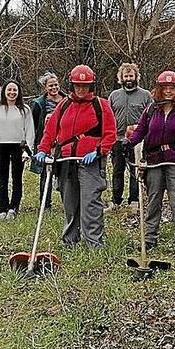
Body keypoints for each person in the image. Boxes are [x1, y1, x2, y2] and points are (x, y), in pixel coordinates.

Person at [33, 65, 117, 249]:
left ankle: (94, 242)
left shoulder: (101, 105)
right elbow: (50, 130)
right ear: (72, 85)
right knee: (70, 203)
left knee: (90, 203)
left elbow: (110, 133)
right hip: (65, 162)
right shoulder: (64, 105)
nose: (81, 89)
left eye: (85, 85)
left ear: (91, 85)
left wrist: (99, 151)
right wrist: (43, 149)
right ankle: (70, 240)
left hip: (90, 162)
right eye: (78, 85)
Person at [126, 71, 175, 254]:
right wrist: (128, 143)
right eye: (165, 88)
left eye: (172, 88)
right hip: (154, 161)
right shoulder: (151, 110)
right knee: (153, 202)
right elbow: (141, 130)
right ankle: (150, 239)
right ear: (159, 89)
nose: (168, 92)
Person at [0, 80, 35, 221]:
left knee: (17, 179)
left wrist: (28, 151)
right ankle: (2, 209)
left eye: (14, 90)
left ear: (18, 92)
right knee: (2, 179)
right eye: (9, 90)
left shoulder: (25, 109)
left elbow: (30, 131)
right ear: (4, 92)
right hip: (1, 147)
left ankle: (13, 208)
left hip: (19, 147)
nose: (12, 93)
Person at [108, 63, 153, 211]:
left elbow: (152, 117)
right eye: (126, 76)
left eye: (131, 76)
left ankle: (134, 200)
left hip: (138, 140)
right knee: (117, 170)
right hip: (118, 139)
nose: (129, 79)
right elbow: (108, 117)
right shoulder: (114, 95)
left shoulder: (145, 95)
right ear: (121, 78)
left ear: (136, 77)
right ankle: (116, 200)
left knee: (136, 170)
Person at [29, 71, 66, 209]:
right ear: (45, 87)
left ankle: (66, 201)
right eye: (50, 85)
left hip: (63, 142)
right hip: (46, 141)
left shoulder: (66, 100)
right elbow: (34, 124)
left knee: (64, 172)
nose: (54, 88)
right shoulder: (38, 104)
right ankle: (45, 203)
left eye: (56, 84)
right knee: (46, 173)